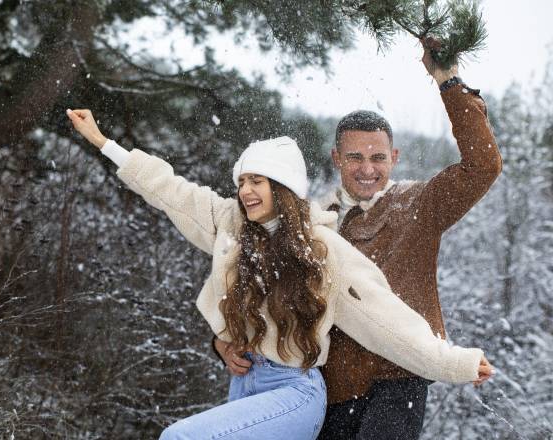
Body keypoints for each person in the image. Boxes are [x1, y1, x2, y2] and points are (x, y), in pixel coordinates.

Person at [66, 104, 493, 439]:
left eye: (258, 181)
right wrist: (103, 142)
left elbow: (386, 319)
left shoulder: (321, 247)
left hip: (298, 389)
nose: (246, 191)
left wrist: (456, 362)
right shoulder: (233, 225)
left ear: (282, 187)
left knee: (180, 437)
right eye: (242, 181)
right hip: (248, 381)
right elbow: (169, 190)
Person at [213, 40, 503, 439]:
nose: (368, 169)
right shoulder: (310, 222)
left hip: (399, 375)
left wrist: (448, 82)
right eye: (355, 158)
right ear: (336, 158)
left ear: (394, 157)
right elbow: (261, 287)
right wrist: (223, 341)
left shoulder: (420, 205)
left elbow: (483, 165)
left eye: (378, 158)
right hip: (330, 385)